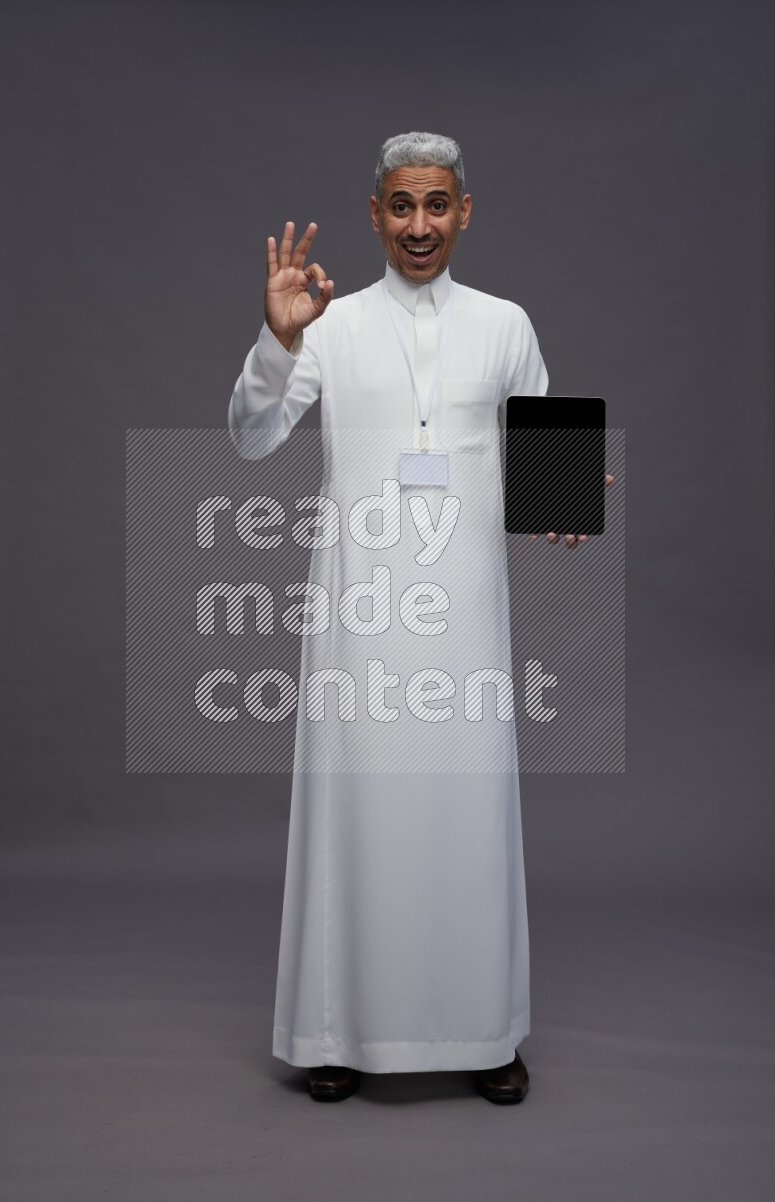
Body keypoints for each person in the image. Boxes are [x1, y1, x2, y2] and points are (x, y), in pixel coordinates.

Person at [228, 132, 611, 1104]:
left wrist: (565, 504)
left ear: (464, 211)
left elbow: (546, 464)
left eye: (436, 204)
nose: (419, 224)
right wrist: (278, 341)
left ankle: (486, 1032)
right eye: (401, 205)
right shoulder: (331, 325)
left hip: (466, 615)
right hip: (359, 611)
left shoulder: (504, 324)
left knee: (468, 814)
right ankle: (335, 1032)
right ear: (374, 215)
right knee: (355, 811)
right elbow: (251, 437)